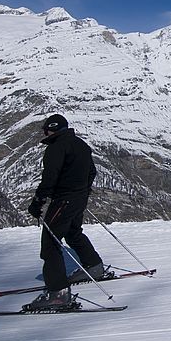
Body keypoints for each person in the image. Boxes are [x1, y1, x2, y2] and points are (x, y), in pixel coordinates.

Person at [24, 114, 107, 311]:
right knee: (73, 232)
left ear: (51, 129)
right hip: (79, 197)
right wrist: (82, 191)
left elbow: (49, 178)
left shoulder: (56, 148)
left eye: (45, 129)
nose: (43, 132)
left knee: (51, 243)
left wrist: (38, 202)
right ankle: (93, 266)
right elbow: (92, 172)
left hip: (63, 200)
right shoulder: (81, 145)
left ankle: (58, 294)